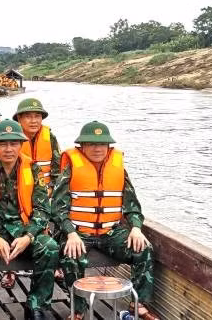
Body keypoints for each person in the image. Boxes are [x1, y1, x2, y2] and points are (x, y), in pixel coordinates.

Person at [53, 121, 158, 320]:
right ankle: (78, 310)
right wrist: (70, 233)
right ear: (82, 146)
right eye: (91, 144)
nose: (97, 148)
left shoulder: (119, 169)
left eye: (102, 144)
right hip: (79, 231)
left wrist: (136, 228)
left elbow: (132, 206)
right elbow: (58, 209)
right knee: (70, 254)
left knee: (144, 249)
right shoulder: (70, 169)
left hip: (111, 232)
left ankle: (138, 304)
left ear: (108, 146)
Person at [0, 119, 58, 320]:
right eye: (2, 144)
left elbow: (43, 208)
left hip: (23, 228)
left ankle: (36, 306)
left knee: (49, 247)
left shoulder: (32, 167)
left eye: (13, 143)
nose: (8, 149)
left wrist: (28, 236)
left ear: (21, 144)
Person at [13, 98, 61, 190]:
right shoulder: (12, 139)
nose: (33, 121)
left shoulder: (50, 137)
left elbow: (57, 168)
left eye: (37, 116)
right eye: (28, 117)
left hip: (46, 190)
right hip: (20, 190)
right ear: (19, 118)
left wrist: (52, 188)